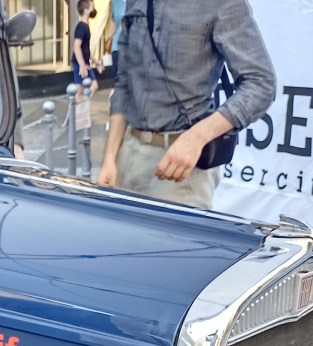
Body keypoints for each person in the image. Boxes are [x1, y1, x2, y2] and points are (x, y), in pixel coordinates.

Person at [95, 0, 275, 209]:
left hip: (182, 169)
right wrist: (110, 157)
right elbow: (124, 81)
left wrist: (196, 137)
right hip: (127, 155)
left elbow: (261, 83)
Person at [72, 0, 102, 103]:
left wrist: (96, 61)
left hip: (82, 63)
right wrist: (82, 65)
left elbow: (85, 49)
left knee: (80, 89)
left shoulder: (84, 26)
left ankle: (79, 108)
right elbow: (76, 46)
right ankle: (81, 106)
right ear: (86, 10)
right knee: (92, 85)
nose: (93, 10)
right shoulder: (81, 27)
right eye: (92, 7)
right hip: (80, 64)